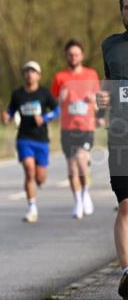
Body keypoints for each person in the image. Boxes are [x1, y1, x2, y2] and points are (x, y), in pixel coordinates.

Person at [97, 0, 128, 300]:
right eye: (126, 7)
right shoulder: (111, 45)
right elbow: (108, 87)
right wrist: (101, 99)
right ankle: (127, 275)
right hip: (121, 136)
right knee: (126, 205)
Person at [51, 39, 103, 219]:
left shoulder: (91, 74)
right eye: (70, 54)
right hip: (67, 128)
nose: (73, 57)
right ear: (66, 56)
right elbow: (52, 105)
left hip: (86, 126)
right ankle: (78, 200)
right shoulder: (60, 77)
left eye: (76, 54)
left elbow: (99, 103)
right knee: (72, 169)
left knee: (82, 161)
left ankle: (85, 192)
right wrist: (60, 99)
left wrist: (93, 102)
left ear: (82, 56)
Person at [3, 61, 59, 224]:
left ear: (39, 75)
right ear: (24, 75)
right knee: (29, 170)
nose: (29, 74)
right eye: (27, 71)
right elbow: (11, 110)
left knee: (40, 177)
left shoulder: (44, 93)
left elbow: (57, 110)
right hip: (24, 138)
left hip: (41, 139)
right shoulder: (17, 94)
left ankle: (39, 182)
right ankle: (32, 208)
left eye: (33, 71)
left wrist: (45, 118)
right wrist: (7, 116)